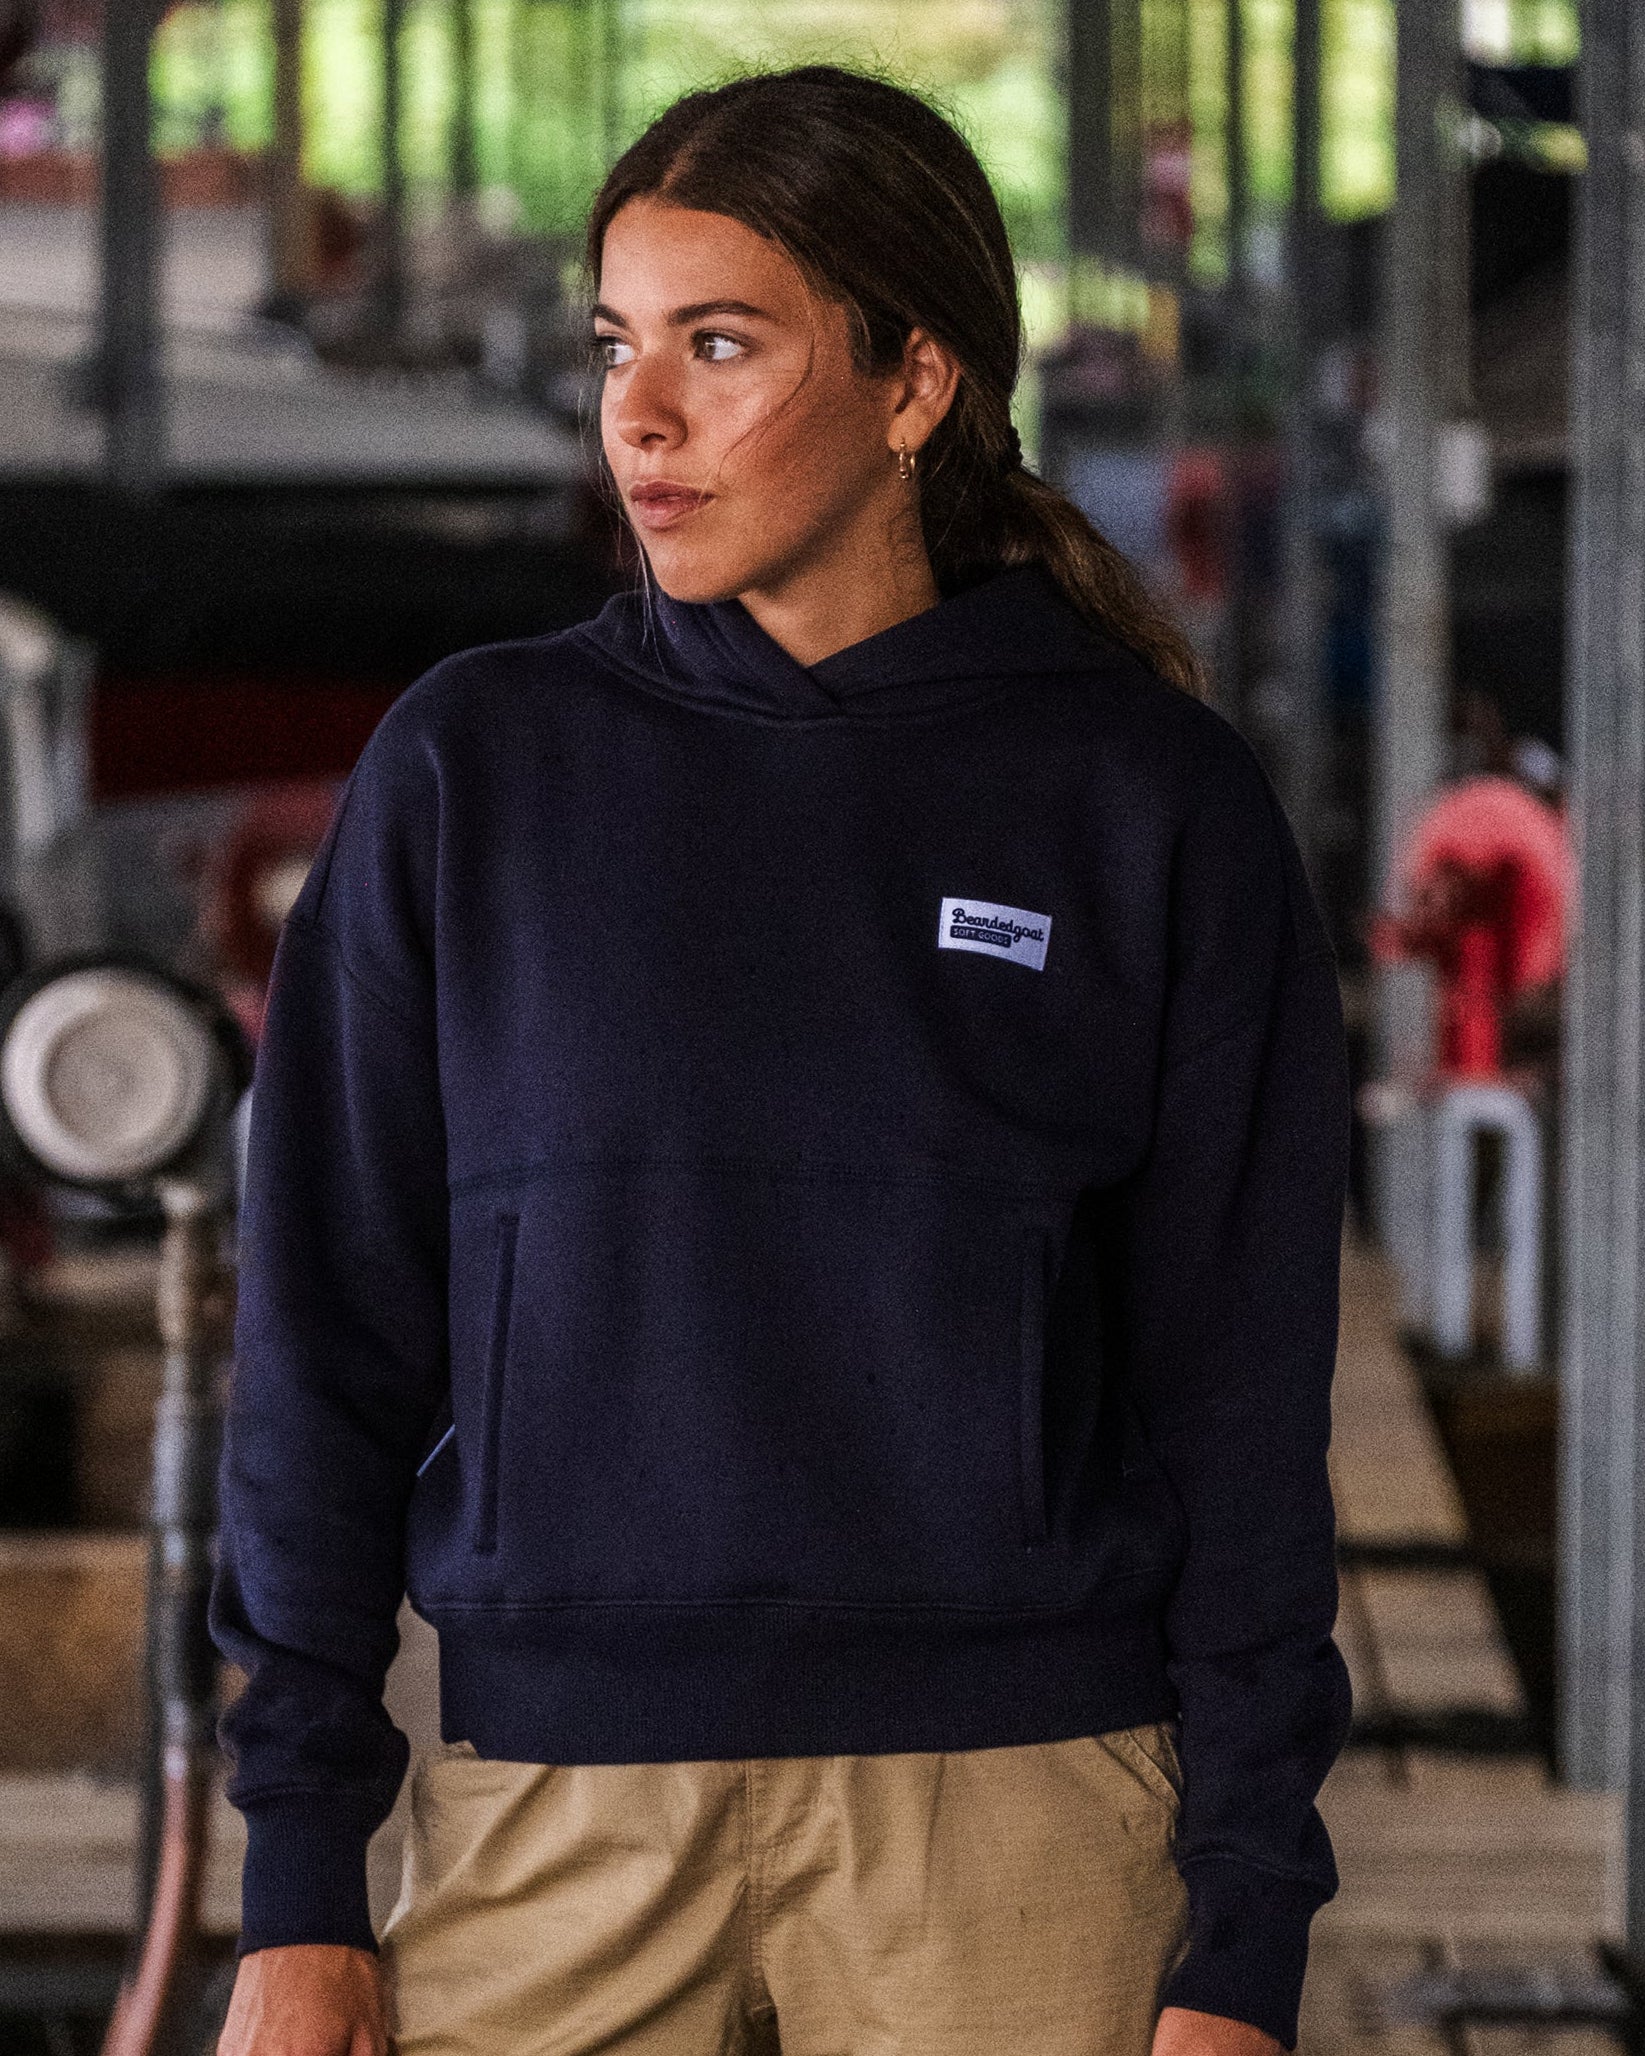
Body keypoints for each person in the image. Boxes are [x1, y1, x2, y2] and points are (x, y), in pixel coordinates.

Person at [211, 64, 1353, 2056]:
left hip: (1019, 1816)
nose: (637, 416)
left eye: (716, 345)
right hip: (549, 1813)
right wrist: (297, 1880)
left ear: (915, 379)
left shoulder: (1141, 802)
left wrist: (1242, 1931)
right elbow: (321, 1330)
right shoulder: (474, 773)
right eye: (616, 346)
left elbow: (1242, 1394)